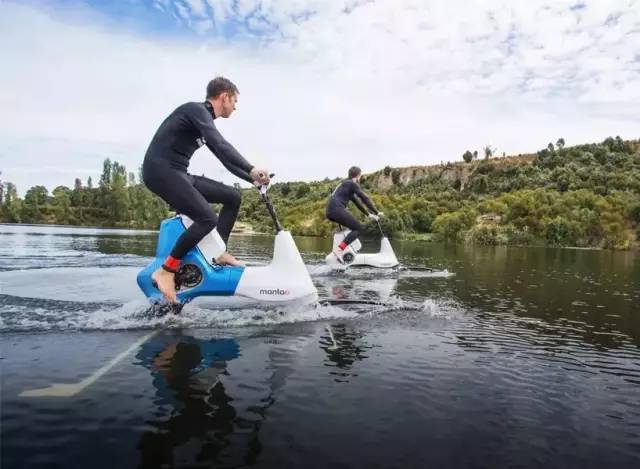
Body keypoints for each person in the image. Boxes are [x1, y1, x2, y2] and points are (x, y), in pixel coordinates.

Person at [142, 77, 270, 303]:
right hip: (160, 171)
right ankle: (166, 270)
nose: (235, 107)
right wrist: (252, 168)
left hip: (179, 173)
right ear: (224, 96)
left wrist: (252, 180)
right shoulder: (196, 110)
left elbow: (225, 160)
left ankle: (217, 253)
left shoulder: (203, 122)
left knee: (232, 197)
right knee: (207, 218)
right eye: (235, 101)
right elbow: (221, 145)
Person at [326, 166, 383, 262]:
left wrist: (369, 215)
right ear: (358, 175)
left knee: (353, 227)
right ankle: (340, 250)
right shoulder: (352, 184)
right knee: (359, 228)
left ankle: (343, 251)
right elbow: (364, 198)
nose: (359, 178)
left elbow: (357, 203)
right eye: (360, 176)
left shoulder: (345, 184)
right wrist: (377, 212)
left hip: (330, 211)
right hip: (336, 209)